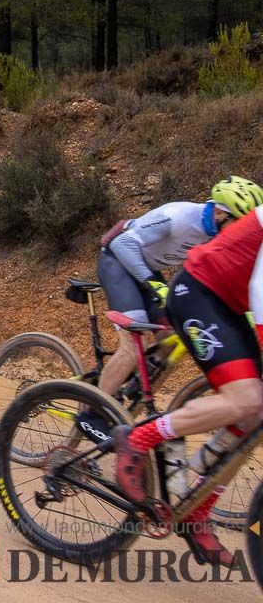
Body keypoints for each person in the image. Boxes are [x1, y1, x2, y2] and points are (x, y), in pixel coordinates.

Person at [113, 181, 263, 568]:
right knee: (248, 398)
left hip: (230, 302)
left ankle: (198, 508)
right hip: (199, 291)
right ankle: (138, 437)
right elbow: (261, 286)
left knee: (254, 413)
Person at [95, 176, 263, 399]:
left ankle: (137, 381)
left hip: (147, 271)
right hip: (116, 263)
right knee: (136, 345)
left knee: (174, 336)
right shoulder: (178, 217)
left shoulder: (214, 235)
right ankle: (93, 412)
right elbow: (121, 244)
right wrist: (154, 284)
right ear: (220, 213)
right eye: (238, 223)